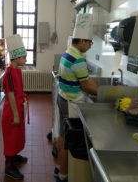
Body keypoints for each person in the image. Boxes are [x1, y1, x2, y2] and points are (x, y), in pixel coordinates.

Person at [55, 13, 98, 182]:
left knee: (62, 135)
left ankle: (60, 167)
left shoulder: (68, 53)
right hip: (71, 103)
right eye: (89, 42)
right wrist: (102, 92)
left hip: (62, 98)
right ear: (81, 41)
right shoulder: (78, 58)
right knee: (68, 141)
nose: (89, 46)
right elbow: (86, 85)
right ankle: (64, 175)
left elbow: (86, 79)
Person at [2, 34, 28, 180]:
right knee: (11, 137)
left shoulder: (16, 70)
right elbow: (10, 95)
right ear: (16, 58)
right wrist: (16, 115)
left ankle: (15, 156)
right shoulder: (10, 72)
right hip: (12, 111)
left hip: (17, 107)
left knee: (17, 135)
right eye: (24, 57)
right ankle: (8, 166)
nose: (26, 60)